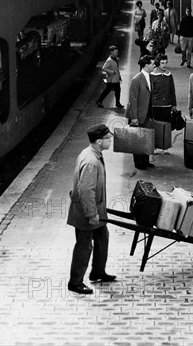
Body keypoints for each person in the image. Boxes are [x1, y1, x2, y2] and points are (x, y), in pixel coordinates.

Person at [67, 124, 116, 295]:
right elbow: (86, 190)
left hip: (96, 208)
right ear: (99, 141)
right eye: (108, 138)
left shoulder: (93, 153)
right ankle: (75, 282)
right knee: (84, 245)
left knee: (102, 237)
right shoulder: (91, 161)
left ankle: (98, 272)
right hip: (86, 211)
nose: (110, 140)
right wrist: (92, 213)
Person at [126, 55, 155, 170]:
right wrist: (134, 118)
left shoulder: (150, 77)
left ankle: (145, 161)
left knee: (146, 138)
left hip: (147, 114)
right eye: (152, 64)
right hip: (138, 115)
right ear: (146, 65)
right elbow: (132, 100)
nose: (154, 65)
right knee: (137, 140)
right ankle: (139, 163)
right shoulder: (136, 80)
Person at [150, 53, 177, 123]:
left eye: (166, 63)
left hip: (167, 105)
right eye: (162, 63)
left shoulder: (169, 75)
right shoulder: (152, 75)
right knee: (157, 125)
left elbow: (172, 90)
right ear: (158, 63)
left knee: (166, 125)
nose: (164, 65)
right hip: (155, 105)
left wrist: (174, 104)